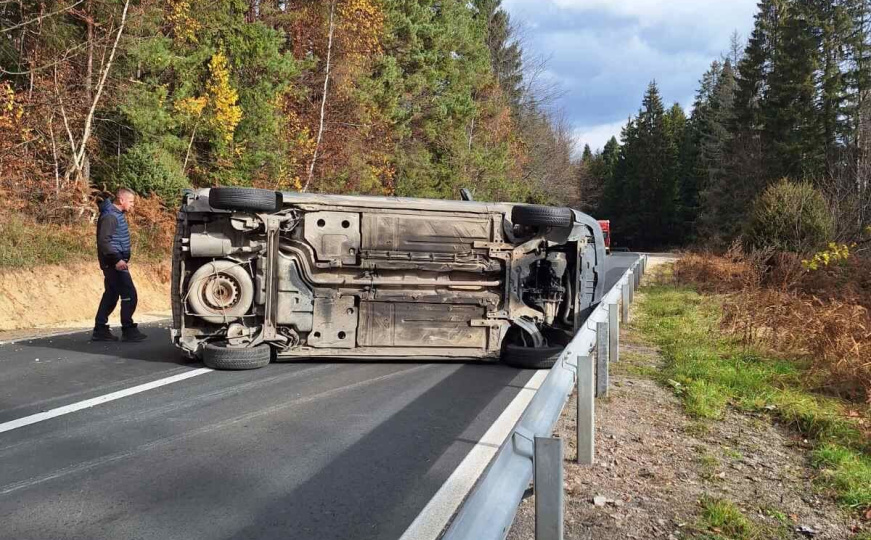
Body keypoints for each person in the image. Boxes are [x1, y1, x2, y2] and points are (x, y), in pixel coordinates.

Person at [91, 188, 148, 342]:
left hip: (114, 262)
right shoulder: (110, 216)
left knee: (111, 295)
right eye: (131, 201)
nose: (132, 205)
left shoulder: (117, 215)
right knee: (130, 294)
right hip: (113, 263)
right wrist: (117, 260)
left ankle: (100, 329)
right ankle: (128, 329)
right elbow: (104, 241)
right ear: (121, 200)